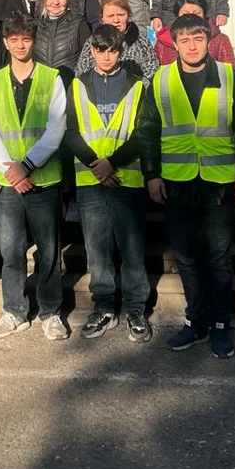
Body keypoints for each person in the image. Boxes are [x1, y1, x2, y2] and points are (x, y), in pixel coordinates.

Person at [136, 14, 235, 359]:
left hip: (219, 184)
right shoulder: (160, 80)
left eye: (198, 39)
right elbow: (147, 131)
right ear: (174, 44)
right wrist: (151, 174)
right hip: (176, 183)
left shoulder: (228, 77)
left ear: (209, 40)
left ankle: (220, 326)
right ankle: (196, 322)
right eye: (185, 40)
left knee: (218, 258)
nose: (192, 45)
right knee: (187, 259)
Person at [0, 14, 69, 341]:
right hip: (6, 183)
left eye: (26, 39)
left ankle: (50, 312)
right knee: (11, 250)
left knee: (48, 250)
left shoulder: (52, 78)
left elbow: (56, 128)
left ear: (34, 41)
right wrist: (10, 170)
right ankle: (14, 311)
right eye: (14, 39)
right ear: (5, 42)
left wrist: (26, 166)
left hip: (43, 179)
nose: (20, 44)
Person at [65, 25, 152, 343]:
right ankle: (103, 307)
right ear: (92, 51)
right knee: (97, 249)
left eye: (112, 50)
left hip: (127, 178)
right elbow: (71, 132)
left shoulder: (137, 86)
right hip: (90, 180)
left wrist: (111, 163)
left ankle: (136, 308)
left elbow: (142, 133)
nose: (106, 56)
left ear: (120, 51)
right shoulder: (77, 85)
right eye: (100, 50)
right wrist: (96, 165)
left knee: (131, 248)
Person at [75, 0, 158, 84]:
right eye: (110, 16)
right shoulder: (93, 42)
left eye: (121, 15)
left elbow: (152, 73)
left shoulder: (141, 41)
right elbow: (81, 74)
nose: (116, 20)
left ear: (128, 15)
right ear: (102, 18)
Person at [154, 0, 235, 66]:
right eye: (185, 13)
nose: (191, 16)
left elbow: (231, 74)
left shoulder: (220, 39)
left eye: (197, 13)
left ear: (204, 15)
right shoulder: (163, 43)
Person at [33, 0, 91, 83]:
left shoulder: (79, 25)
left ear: (68, 0)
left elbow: (88, 59)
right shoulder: (36, 26)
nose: (56, 2)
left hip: (68, 86)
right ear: (44, 0)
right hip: (41, 86)